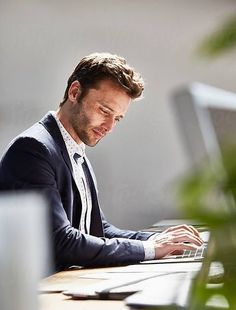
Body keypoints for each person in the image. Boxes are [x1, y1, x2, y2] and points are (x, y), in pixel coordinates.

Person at [0, 52, 203, 270]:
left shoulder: (74, 150)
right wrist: (150, 250)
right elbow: (61, 242)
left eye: (117, 118)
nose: (109, 126)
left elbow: (97, 228)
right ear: (75, 92)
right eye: (104, 111)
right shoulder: (33, 149)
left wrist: (156, 241)